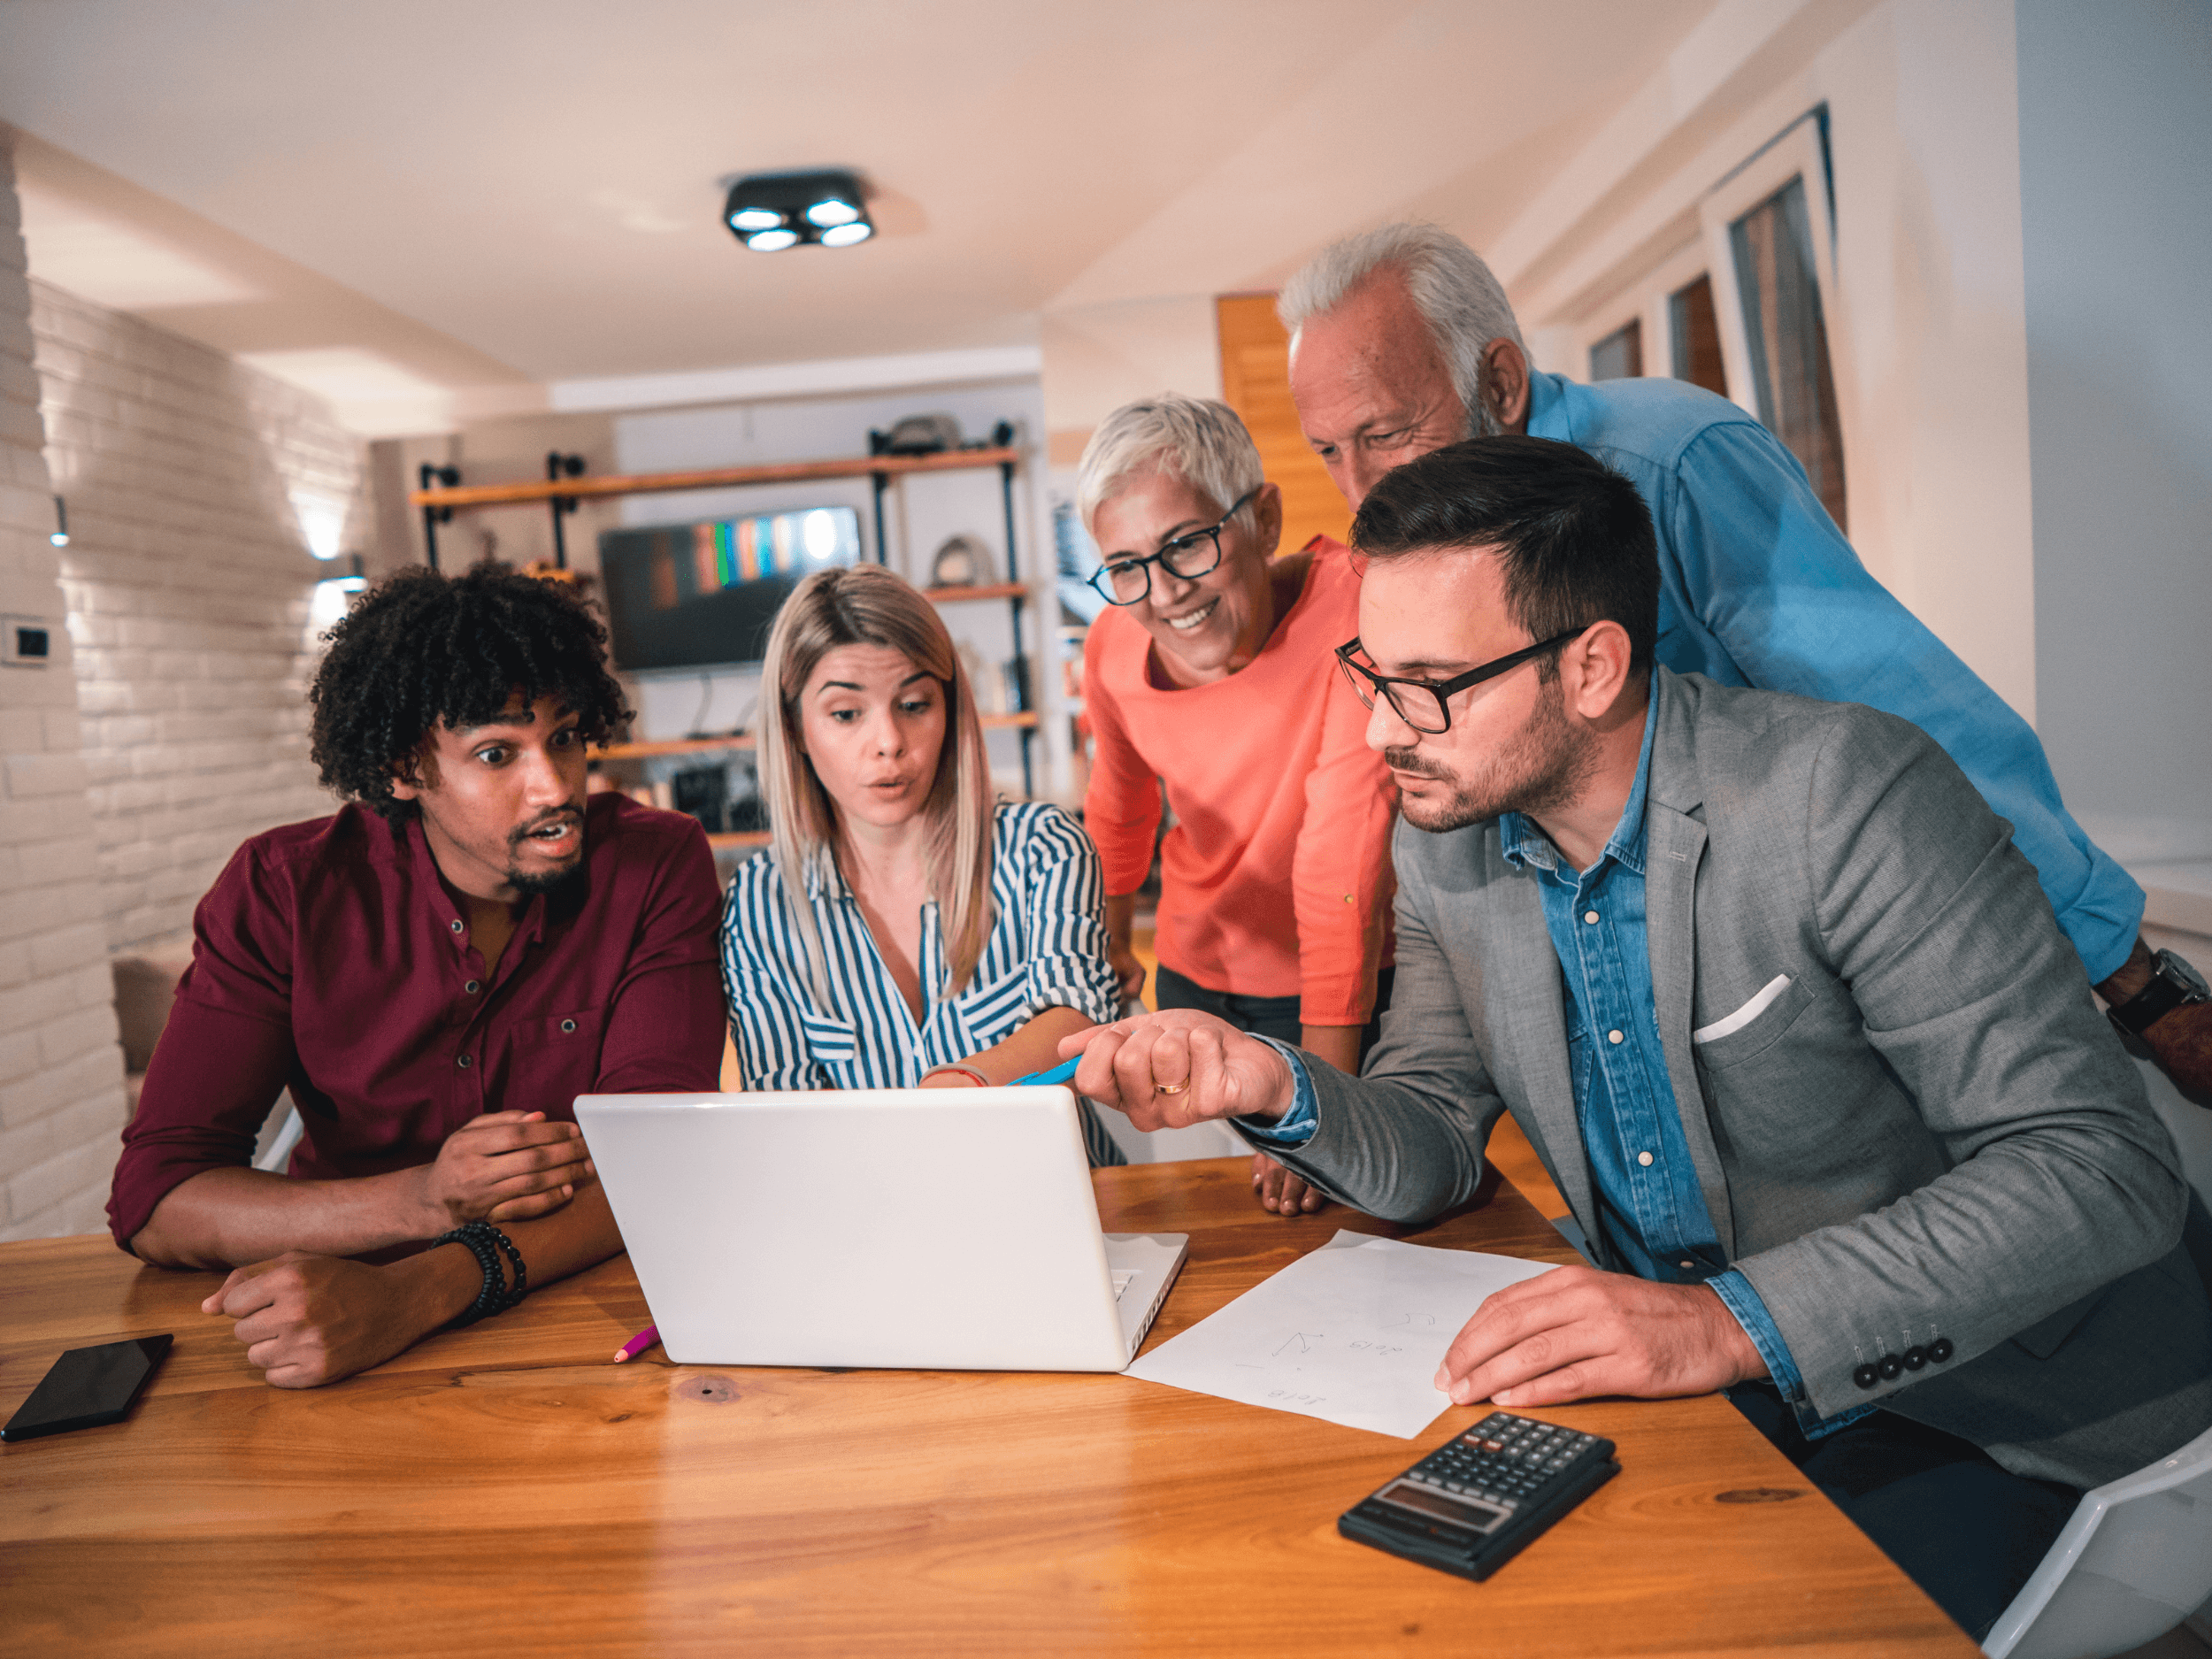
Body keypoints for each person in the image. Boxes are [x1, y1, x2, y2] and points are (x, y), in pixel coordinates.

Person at [1067, 438, 2212, 1640]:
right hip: (1720, 1402)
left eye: (1429, 685)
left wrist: (1724, 1319)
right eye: (1369, 673)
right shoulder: (1447, 844)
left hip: (2000, 1406)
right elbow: (1434, 1140)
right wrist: (1280, 1085)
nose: (1377, 733)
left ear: (1595, 665)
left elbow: (2096, 1168)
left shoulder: (1845, 794)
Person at [1276, 221, 2209, 1092]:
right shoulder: (1422, 544)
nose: (1360, 490)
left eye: (1387, 434)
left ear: (1502, 383)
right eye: (1328, 451)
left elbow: (1905, 719)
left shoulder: (1669, 462)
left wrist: (2137, 987)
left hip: (1874, 942)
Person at [109, 564, 726, 1388]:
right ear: (405, 767)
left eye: (567, 739)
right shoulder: (284, 890)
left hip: (577, 1321)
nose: (553, 786)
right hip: (321, 1319)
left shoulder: (654, 861)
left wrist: (413, 1293)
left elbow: (660, 1158)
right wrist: (423, 1201)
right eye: (497, 752)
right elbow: (158, 1196)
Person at [1077, 395, 1398, 1214]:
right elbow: (1119, 807)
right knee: (1219, 1216)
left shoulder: (1356, 609)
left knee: (1349, 1198)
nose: (1163, 593)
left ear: (1263, 517)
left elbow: (1342, 856)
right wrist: (1110, 953)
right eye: (1125, 566)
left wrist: (1320, 1102)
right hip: (1199, 973)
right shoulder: (1113, 644)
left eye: (1186, 544)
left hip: (1345, 982)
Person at [719, 565, 1125, 1165]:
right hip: (870, 1230)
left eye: (913, 704)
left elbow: (1078, 1027)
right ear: (795, 729)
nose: (889, 740)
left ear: (950, 709)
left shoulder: (1043, 847)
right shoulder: (757, 903)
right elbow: (787, 1118)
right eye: (846, 713)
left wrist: (955, 1091)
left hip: (1069, 1207)